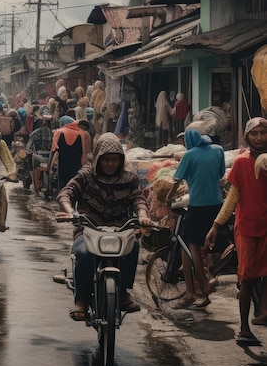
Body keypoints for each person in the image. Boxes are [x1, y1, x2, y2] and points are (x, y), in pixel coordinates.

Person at [56, 133, 152, 321]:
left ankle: (123, 292)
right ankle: (82, 299)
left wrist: (142, 215)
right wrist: (70, 211)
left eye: (114, 160)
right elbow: (66, 193)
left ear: (121, 160)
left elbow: (139, 199)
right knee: (83, 254)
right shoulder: (86, 175)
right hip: (88, 229)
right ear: (98, 158)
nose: (110, 164)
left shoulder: (129, 178)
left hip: (120, 231)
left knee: (133, 248)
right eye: (106, 160)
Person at [205, 117, 267, 346]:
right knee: (248, 277)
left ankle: (262, 311)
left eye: (263, 132)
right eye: (255, 133)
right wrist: (216, 226)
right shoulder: (241, 163)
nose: (259, 137)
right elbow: (232, 198)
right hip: (248, 227)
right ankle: (244, 327)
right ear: (247, 137)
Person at [166, 129, 224, 308]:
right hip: (217, 205)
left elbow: (177, 181)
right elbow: (221, 174)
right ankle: (198, 293)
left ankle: (203, 284)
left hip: (197, 205)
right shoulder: (219, 150)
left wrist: (168, 199)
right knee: (203, 246)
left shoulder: (189, 155)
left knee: (190, 246)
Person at [50, 115, 91, 191]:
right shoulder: (82, 134)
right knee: (74, 190)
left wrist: (51, 166)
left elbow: (56, 152)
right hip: (76, 169)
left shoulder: (58, 132)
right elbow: (84, 153)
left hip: (63, 169)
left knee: (63, 191)